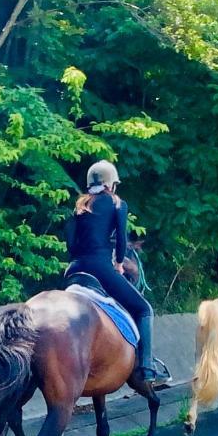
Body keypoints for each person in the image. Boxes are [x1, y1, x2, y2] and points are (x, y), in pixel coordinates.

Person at [64, 160, 170, 384]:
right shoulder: (116, 203)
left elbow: (71, 245)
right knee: (144, 309)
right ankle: (146, 368)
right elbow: (121, 240)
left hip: (74, 270)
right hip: (100, 268)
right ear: (110, 184)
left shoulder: (80, 205)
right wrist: (119, 264)